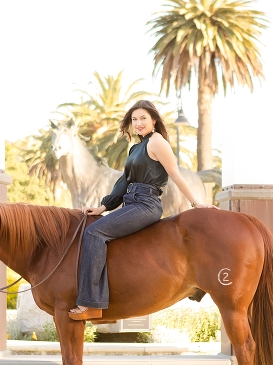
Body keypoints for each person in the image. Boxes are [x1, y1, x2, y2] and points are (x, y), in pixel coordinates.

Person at [68, 100, 217, 321]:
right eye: (134, 119)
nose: (138, 123)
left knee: (94, 233)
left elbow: (175, 174)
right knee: (92, 227)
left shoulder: (158, 142)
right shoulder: (136, 147)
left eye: (143, 118)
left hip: (146, 205)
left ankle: (91, 304)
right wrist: (103, 206)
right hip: (131, 202)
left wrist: (196, 203)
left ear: (154, 120)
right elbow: (124, 181)